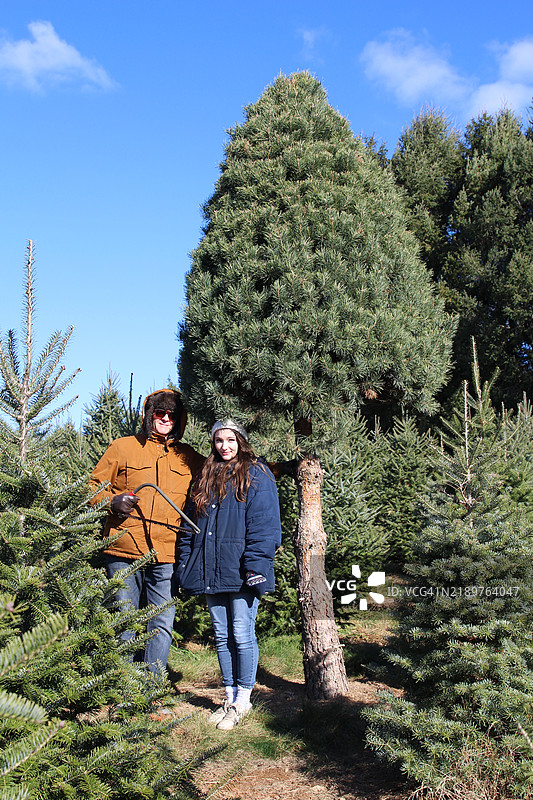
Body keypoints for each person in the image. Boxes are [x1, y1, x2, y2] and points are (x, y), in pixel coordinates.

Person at [89, 389, 204, 676]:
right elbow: (91, 487)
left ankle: (151, 690)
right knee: (124, 621)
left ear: (179, 420)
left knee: (162, 622)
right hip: (123, 547)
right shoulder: (122, 447)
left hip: (165, 552)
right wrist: (112, 502)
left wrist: (274, 469)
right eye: (159, 413)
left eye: (171, 415)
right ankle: (122, 690)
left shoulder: (186, 456)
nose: (165, 418)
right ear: (149, 415)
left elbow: (228, 468)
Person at [178, 419, 281, 730]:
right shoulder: (206, 475)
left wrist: (255, 567)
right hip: (211, 568)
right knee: (222, 636)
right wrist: (186, 564)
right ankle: (228, 695)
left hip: (241, 570)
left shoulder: (257, 474)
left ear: (241, 441)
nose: (225, 446)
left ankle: (244, 700)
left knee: (241, 632)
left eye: (230, 439)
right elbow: (188, 526)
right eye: (219, 440)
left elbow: (265, 527)